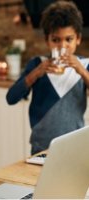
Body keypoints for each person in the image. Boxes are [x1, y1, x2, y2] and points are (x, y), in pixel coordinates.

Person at [6, 1, 89, 155]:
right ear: (47, 40)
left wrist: (81, 71)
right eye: (56, 40)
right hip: (41, 147)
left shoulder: (85, 65)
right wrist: (36, 73)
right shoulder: (37, 64)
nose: (62, 46)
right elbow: (11, 98)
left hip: (75, 147)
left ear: (78, 38)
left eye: (68, 39)